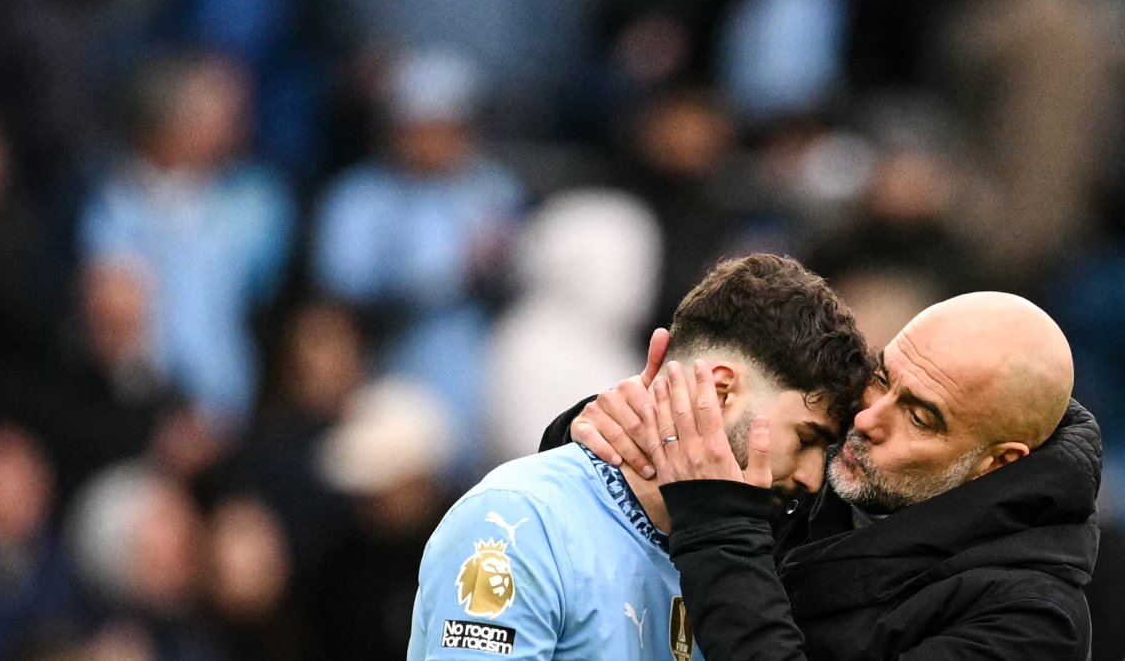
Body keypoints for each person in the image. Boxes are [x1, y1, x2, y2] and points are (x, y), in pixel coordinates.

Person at [556, 291, 1099, 659]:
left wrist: (719, 528)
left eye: (918, 416)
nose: (867, 419)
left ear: (997, 463)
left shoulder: (1030, 622)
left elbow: (715, 520)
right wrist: (615, 436)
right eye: (882, 377)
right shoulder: (824, 453)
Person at [408, 254, 871, 659]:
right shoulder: (519, 521)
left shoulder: (756, 568)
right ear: (719, 392)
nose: (814, 478)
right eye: (806, 438)